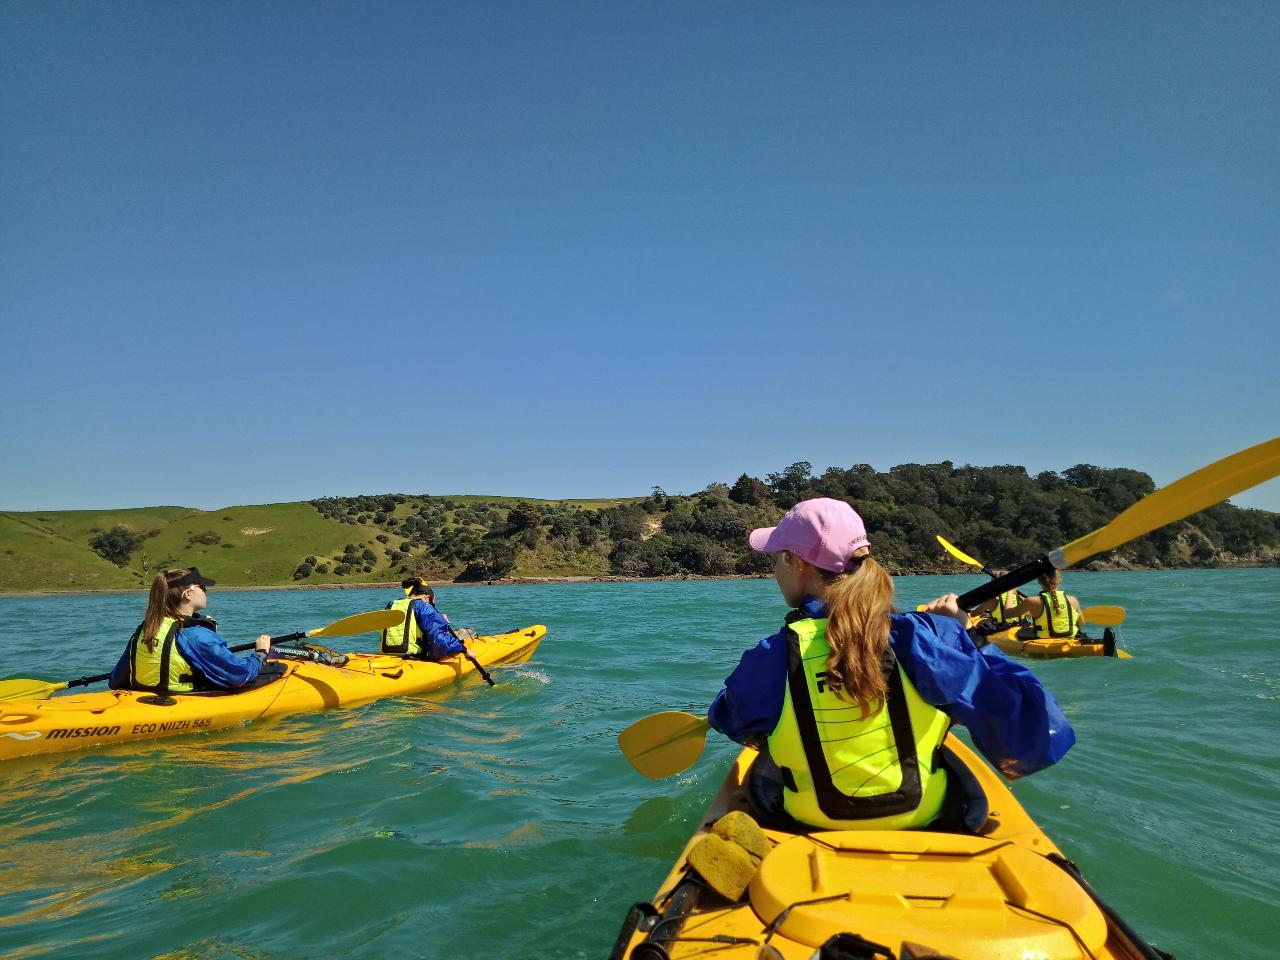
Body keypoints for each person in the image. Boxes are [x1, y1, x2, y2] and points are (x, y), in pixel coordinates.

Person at [707, 498, 1076, 833]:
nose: (775, 570)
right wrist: (966, 638)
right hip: (923, 825)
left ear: (796, 562)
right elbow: (1038, 736)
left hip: (810, 828)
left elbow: (730, 720)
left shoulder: (771, 655)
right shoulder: (922, 638)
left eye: (776, 557)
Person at [109, 568, 284, 694]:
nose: (206, 592)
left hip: (146, 698)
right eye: (202, 587)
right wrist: (260, 653)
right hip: (182, 700)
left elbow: (116, 680)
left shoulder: (146, 629)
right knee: (278, 669)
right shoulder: (196, 635)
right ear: (188, 594)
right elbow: (239, 675)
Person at [381, 577, 467, 661]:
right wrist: (463, 649)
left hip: (387, 656)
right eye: (431, 603)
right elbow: (440, 641)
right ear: (427, 597)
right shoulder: (423, 606)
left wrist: (440, 619)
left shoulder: (391, 604)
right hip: (414, 657)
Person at [1005, 570, 1082, 640]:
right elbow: (1080, 622)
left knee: (1023, 630)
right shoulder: (1073, 600)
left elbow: (1007, 614)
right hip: (1069, 638)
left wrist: (1010, 592)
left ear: (1039, 581)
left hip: (1043, 639)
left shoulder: (1031, 601)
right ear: (1059, 580)